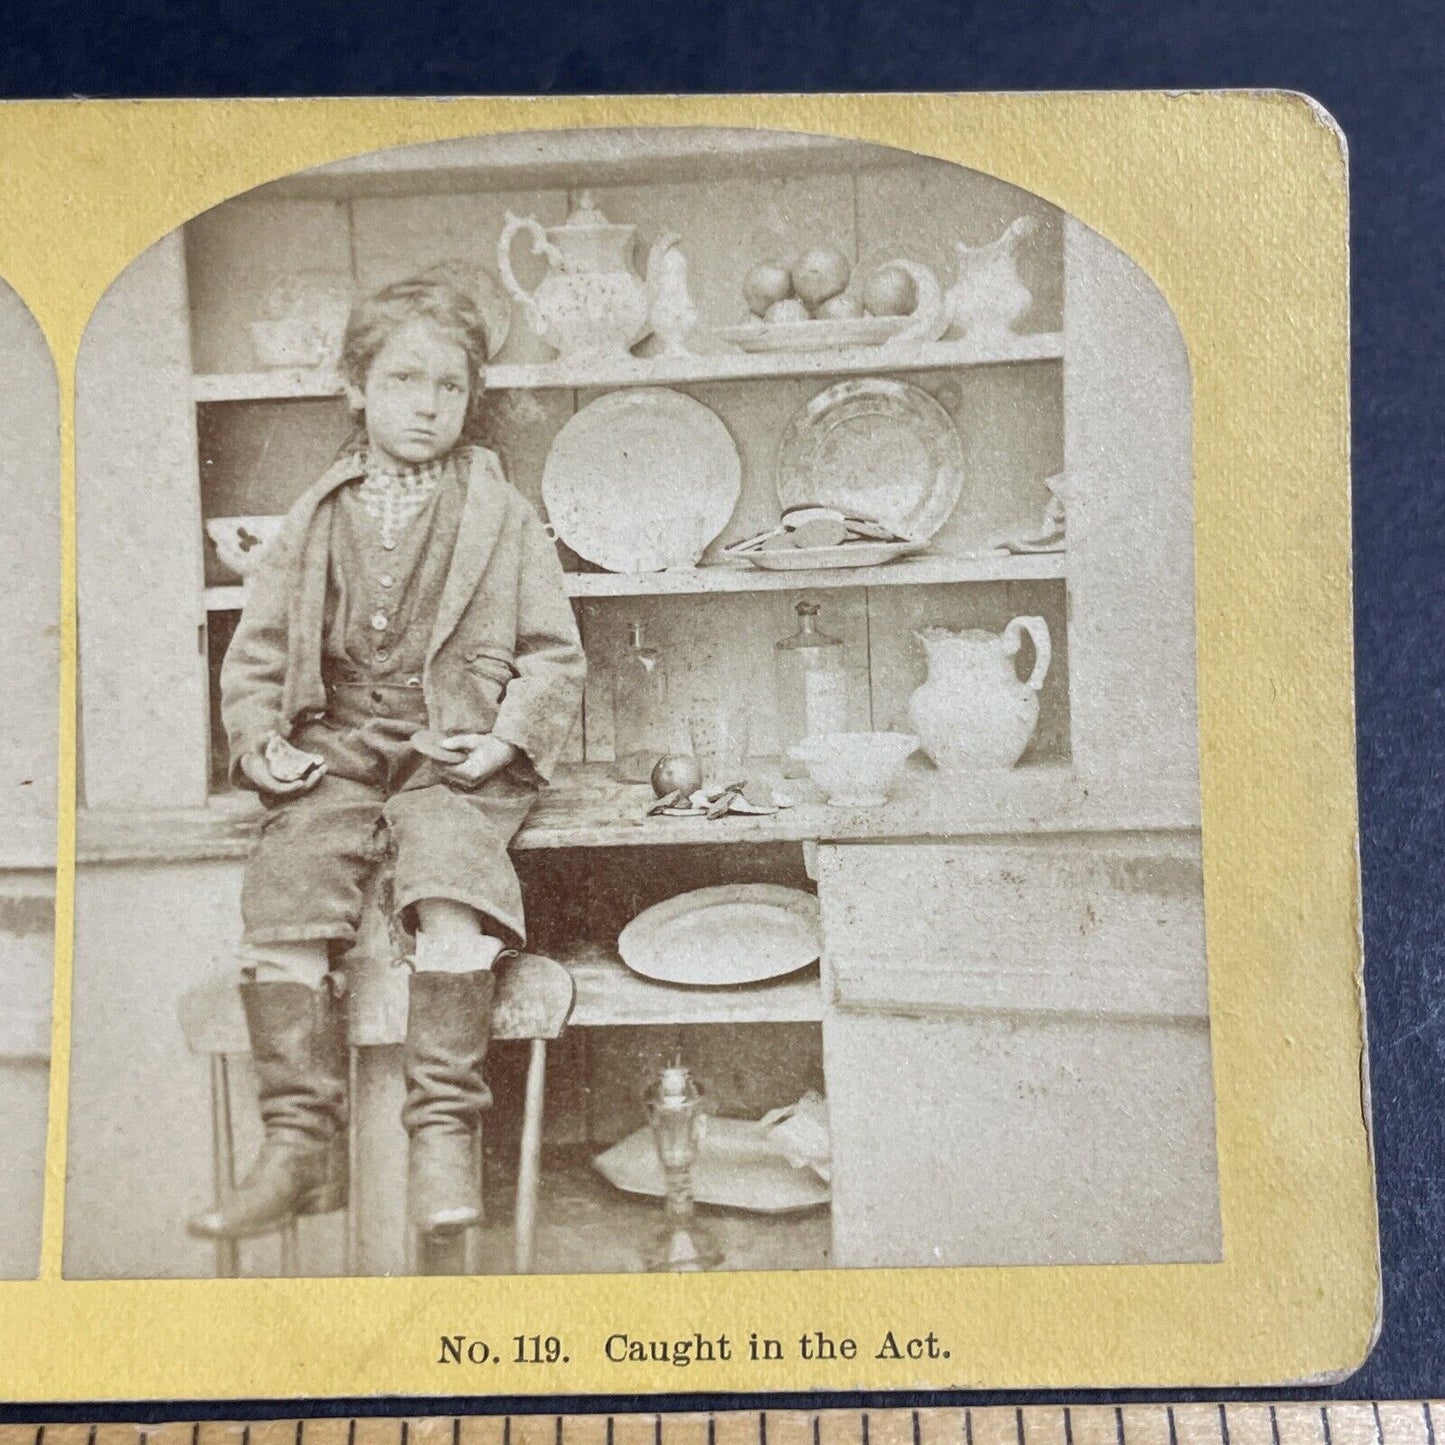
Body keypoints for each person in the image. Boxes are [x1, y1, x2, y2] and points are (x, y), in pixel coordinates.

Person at [188, 276, 586, 1245]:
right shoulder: (315, 516)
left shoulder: (502, 512)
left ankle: (444, 1132)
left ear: (471, 397)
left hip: (451, 753)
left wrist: (502, 738)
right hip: (338, 748)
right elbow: (258, 654)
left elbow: (552, 653)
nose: (426, 404)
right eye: (403, 379)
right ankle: (295, 1144)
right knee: (289, 878)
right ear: (354, 387)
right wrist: (259, 739)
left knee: (452, 874)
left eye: (449, 386)